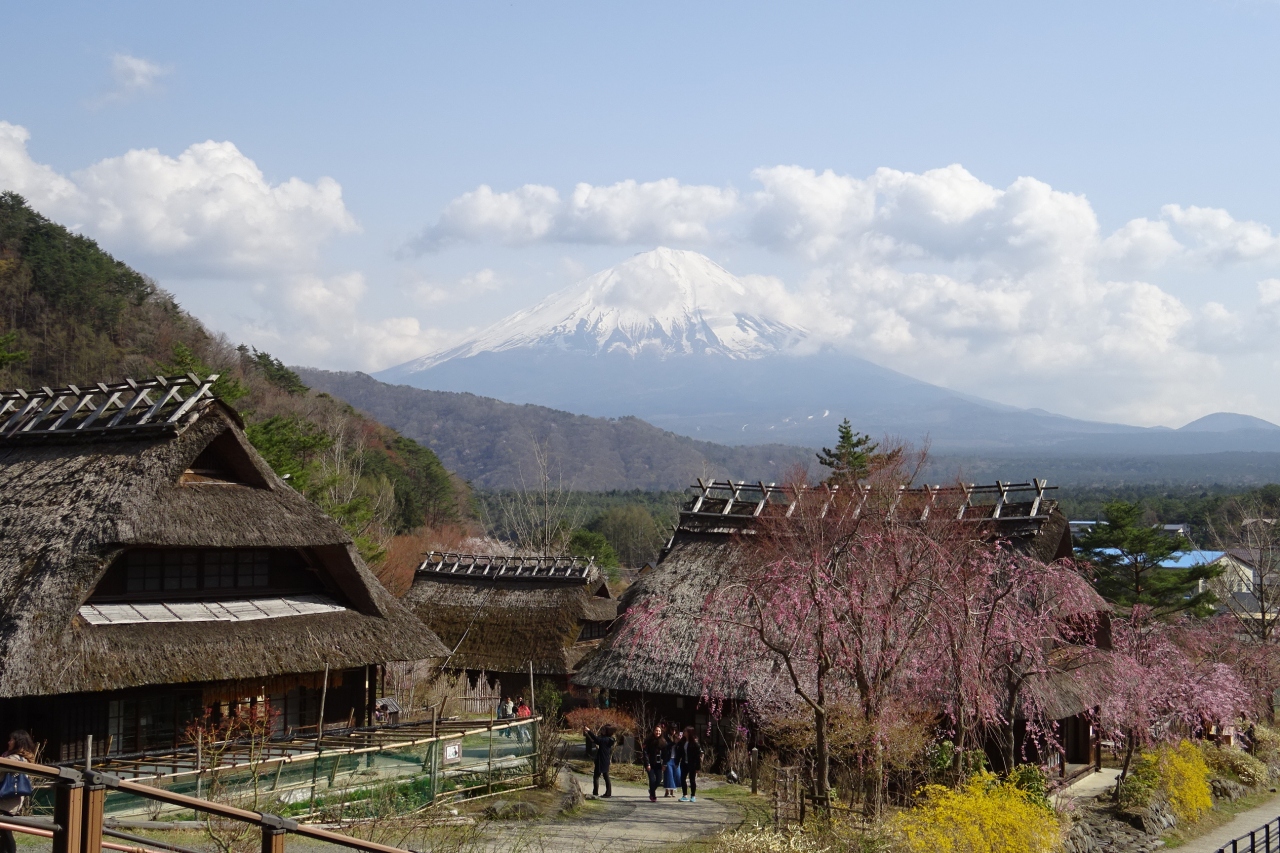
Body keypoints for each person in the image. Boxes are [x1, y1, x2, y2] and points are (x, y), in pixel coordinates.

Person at [0, 731, 35, 853]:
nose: (9, 742)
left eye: (11, 740)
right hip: (10, 797)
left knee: (5, 831)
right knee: (4, 831)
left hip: (7, 798)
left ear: (18, 742)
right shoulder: (21, 758)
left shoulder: (13, 759)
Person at [583, 724, 615, 798]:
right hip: (606, 760)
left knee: (596, 777)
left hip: (601, 760)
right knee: (606, 776)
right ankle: (608, 792)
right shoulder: (610, 739)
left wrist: (589, 731)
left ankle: (595, 792)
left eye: (604, 730)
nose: (602, 731)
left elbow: (597, 740)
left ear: (607, 731)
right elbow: (596, 740)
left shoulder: (605, 740)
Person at [642, 725, 667, 802]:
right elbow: (645, 752)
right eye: (656, 730)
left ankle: (651, 790)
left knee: (659, 780)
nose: (658, 732)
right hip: (650, 763)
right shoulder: (648, 741)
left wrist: (664, 764)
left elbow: (666, 754)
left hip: (659, 764)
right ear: (653, 731)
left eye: (659, 731)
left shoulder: (663, 741)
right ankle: (653, 795)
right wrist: (647, 764)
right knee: (652, 780)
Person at [678, 726, 703, 802]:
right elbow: (679, 752)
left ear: (689, 733)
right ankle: (684, 795)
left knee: (692, 780)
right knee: (682, 779)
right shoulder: (682, 742)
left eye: (685, 731)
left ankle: (693, 796)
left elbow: (698, 756)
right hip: (684, 763)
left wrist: (698, 767)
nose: (684, 732)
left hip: (692, 764)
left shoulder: (695, 744)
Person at [663, 727, 682, 797]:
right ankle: (667, 791)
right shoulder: (666, 737)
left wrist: (679, 742)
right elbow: (666, 747)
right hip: (668, 759)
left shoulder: (678, 737)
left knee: (676, 775)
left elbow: (680, 749)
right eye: (672, 729)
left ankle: (672, 791)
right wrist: (674, 742)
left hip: (676, 759)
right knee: (668, 775)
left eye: (675, 730)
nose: (673, 731)